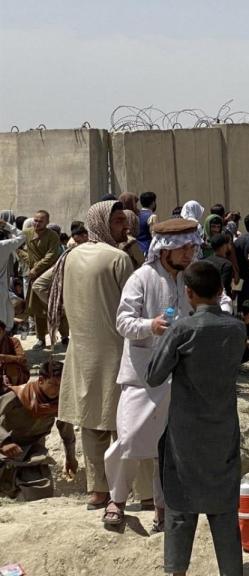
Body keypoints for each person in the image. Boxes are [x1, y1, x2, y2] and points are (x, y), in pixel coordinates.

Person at [104, 218, 211, 529]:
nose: (191, 253)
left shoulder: (190, 279)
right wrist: (150, 326)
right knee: (129, 439)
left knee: (169, 445)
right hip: (142, 375)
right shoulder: (141, 279)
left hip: (178, 375)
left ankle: (163, 509)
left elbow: (216, 301)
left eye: (193, 246)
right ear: (166, 250)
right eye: (185, 248)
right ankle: (117, 499)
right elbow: (123, 322)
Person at [145, 261, 245, 576]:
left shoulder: (182, 329)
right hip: (224, 429)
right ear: (220, 291)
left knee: (180, 505)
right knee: (224, 507)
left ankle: (176, 571)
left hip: (185, 434)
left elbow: (154, 376)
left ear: (188, 293)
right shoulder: (237, 327)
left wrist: (166, 335)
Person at [33, 200, 134, 510]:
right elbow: (135, 305)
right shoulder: (119, 258)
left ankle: (98, 492)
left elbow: (40, 284)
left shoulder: (69, 256)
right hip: (117, 350)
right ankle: (133, 493)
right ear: (103, 222)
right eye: (118, 221)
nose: (124, 227)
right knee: (125, 423)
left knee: (91, 422)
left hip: (82, 351)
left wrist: (70, 315)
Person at [0, 360, 76, 501]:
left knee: (41, 491)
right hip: (4, 448)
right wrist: (4, 442)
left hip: (32, 451)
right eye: (54, 385)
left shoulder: (60, 403)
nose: (58, 390)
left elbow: (67, 433)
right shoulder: (16, 396)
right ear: (41, 380)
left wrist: (70, 458)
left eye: (62, 385)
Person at [18, 210, 64, 349]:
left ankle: (65, 335)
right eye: (35, 220)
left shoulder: (52, 236)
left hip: (50, 275)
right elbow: (17, 248)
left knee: (56, 305)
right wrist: (29, 261)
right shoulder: (26, 233)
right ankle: (40, 338)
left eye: (40, 221)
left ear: (47, 222)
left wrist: (36, 268)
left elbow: (51, 255)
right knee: (38, 310)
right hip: (34, 276)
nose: (37, 223)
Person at [0, 221, 25, 335]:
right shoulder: (4, 245)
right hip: (2, 290)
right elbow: (23, 236)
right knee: (4, 324)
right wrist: (6, 225)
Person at [203, 233, 235, 298]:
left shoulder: (204, 261)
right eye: (229, 243)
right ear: (224, 246)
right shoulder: (226, 265)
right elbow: (224, 285)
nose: (230, 246)